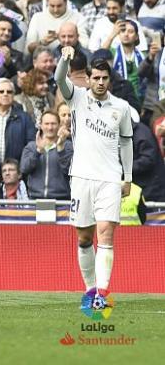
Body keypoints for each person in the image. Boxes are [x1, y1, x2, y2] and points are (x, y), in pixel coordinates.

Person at [55, 45, 133, 309]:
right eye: (96, 78)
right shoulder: (76, 98)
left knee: (106, 233)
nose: (100, 82)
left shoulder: (121, 107)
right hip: (81, 177)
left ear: (110, 80)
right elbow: (58, 78)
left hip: (110, 178)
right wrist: (64, 59)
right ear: (88, 78)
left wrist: (127, 177)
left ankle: (102, 293)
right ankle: (89, 290)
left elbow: (126, 143)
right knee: (84, 238)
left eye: (104, 78)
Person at [20, 110, 73, 200]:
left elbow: (69, 171)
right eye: (46, 124)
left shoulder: (68, 145)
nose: (50, 127)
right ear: (40, 125)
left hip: (62, 200)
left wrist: (60, 149)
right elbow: (24, 169)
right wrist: (38, 151)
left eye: (53, 124)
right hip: (35, 199)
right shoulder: (31, 146)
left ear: (59, 125)